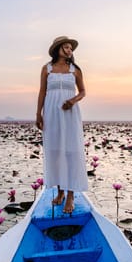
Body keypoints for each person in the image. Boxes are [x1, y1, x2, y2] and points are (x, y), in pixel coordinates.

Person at [36, 36, 88, 213]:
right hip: (51, 113)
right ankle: (60, 192)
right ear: (57, 49)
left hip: (70, 113)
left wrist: (73, 100)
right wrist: (38, 114)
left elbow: (83, 92)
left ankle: (71, 195)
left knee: (71, 152)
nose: (69, 50)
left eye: (70, 48)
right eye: (66, 47)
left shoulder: (75, 70)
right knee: (55, 151)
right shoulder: (47, 69)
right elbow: (42, 92)